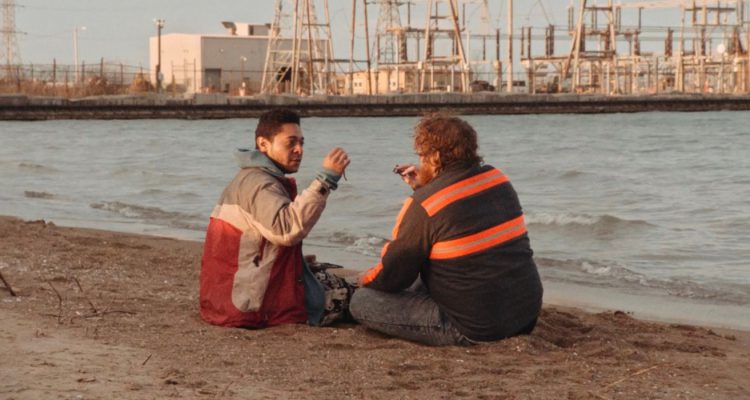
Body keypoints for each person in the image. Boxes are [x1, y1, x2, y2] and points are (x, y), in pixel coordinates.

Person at [350, 115, 543, 346]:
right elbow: (458, 215)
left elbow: (394, 275)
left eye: (422, 156)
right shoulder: (498, 179)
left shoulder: (424, 204)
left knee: (362, 300)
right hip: (526, 315)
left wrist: (364, 279)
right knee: (431, 263)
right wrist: (427, 185)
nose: (420, 162)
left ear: (435, 157)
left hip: (475, 328)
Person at [200, 108, 353, 328]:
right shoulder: (260, 183)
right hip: (250, 305)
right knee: (357, 294)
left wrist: (292, 260)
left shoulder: (250, 177)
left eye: (301, 143)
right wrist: (326, 180)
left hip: (225, 299)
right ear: (263, 144)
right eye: (291, 143)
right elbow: (287, 230)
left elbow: (257, 244)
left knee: (323, 273)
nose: (299, 150)